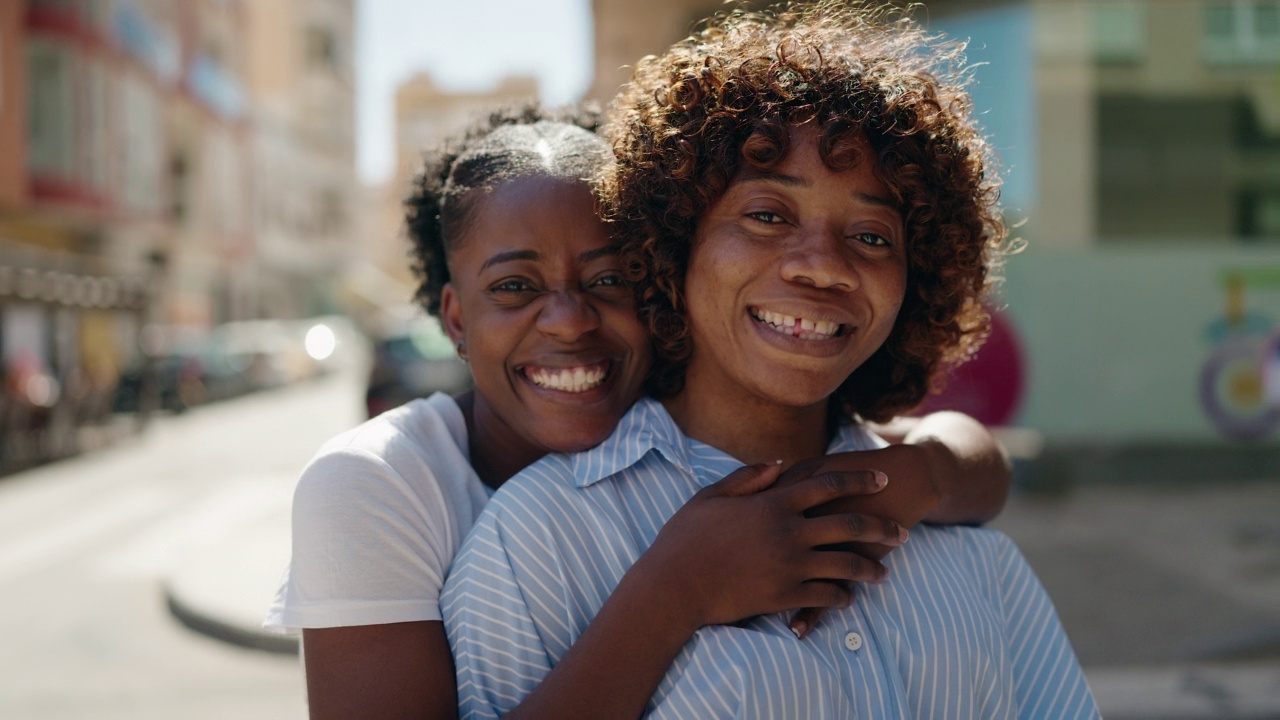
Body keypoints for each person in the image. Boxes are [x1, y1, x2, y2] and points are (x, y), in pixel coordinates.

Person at [442, 3, 1100, 718]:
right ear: (673, 243)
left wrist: (930, 477)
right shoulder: (535, 543)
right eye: (767, 216)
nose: (823, 268)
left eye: (873, 237)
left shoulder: (964, 545)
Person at [266, 102, 1012, 718]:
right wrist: (672, 594)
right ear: (456, 319)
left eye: (610, 278)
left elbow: (970, 463)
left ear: (659, 282)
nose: (567, 321)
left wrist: (909, 477)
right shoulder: (378, 484)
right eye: (516, 288)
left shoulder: (693, 426)